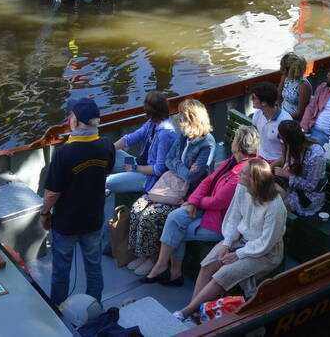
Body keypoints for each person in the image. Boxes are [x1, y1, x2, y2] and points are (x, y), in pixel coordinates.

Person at [171, 158, 287, 323]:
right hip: (240, 240)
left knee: (222, 275)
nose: (239, 173)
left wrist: (237, 254)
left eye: (244, 173)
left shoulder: (274, 207)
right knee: (207, 265)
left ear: (254, 180)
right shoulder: (242, 187)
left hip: (265, 253)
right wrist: (227, 243)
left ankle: (186, 311)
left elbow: (265, 243)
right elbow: (233, 217)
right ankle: (196, 312)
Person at [142, 125, 260, 285]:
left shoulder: (243, 172)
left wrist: (194, 202)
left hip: (220, 221)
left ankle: (168, 271)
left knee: (179, 229)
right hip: (204, 206)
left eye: (234, 139)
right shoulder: (232, 161)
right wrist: (193, 201)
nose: (231, 141)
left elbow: (219, 202)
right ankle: (169, 270)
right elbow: (208, 181)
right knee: (174, 217)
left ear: (238, 146)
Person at [127, 99, 215, 277]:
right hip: (171, 186)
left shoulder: (207, 144)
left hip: (187, 194)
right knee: (137, 208)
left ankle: (153, 259)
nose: (178, 120)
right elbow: (168, 159)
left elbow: (193, 177)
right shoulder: (184, 135)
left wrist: (178, 166)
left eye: (182, 117)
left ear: (191, 119)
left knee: (150, 215)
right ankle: (142, 254)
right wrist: (182, 167)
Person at [40, 98, 115, 307]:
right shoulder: (106, 146)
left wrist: (44, 214)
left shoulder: (64, 153)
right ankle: (95, 305)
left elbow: (52, 193)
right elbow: (105, 172)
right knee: (94, 266)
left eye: (71, 115)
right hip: (93, 220)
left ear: (74, 121)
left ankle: (59, 309)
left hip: (66, 223)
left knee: (61, 269)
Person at [107, 90, 177, 197]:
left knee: (109, 182)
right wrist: (106, 150)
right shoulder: (152, 123)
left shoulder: (166, 134)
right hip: (139, 164)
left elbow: (158, 170)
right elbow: (130, 139)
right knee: (110, 153)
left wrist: (134, 168)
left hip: (148, 178)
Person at [272, 120, 326, 215]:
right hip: (292, 186)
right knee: (267, 199)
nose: (281, 141)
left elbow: (310, 186)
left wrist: (288, 175)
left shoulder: (316, 155)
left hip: (309, 195)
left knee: (277, 209)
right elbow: (289, 167)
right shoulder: (292, 147)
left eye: (282, 139)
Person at [250, 82, 290, 162]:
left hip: (275, 162)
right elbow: (256, 138)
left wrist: (270, 167)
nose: (251, 99)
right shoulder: (258, 114)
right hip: (259, 157)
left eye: (254, 97)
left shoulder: (284, 122)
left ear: (264, 103)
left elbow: (287, 154)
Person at [277, 52, 312, 121]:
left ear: (290, 70)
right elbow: (278, 96)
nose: (281, 70)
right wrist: (276, 110)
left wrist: (282, 119)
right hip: (281, 112)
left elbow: (300, 113)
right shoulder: (285, 77)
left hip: (293, 119)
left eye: (283, 68)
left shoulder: (303, 85)